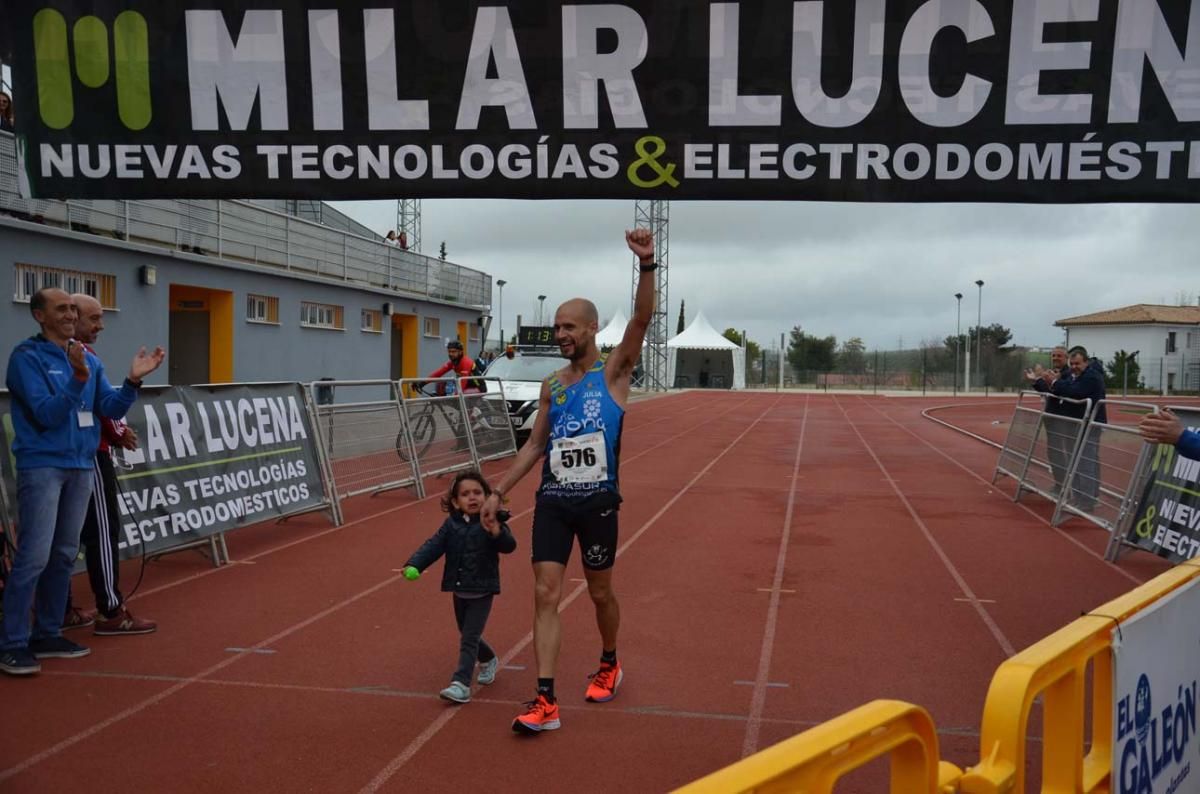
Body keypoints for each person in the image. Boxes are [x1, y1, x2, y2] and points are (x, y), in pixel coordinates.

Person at [481, 227, 656, 735]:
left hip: (598, 501)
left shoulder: (615, 371)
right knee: (544, 592)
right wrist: (499, 491)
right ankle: (545, 699)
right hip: (554, 501)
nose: (560, 335)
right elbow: (535, 445)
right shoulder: (552, 386)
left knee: (600, 593)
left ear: (592, 329)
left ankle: (609, 661)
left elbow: (642, 318)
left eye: (569, 327)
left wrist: (646, 264)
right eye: (556, 327)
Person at [1, 288, 164, 675]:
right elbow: (46, 414)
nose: (71, 315)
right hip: (42, 467)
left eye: (73, 309)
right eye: (62, 309)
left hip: (82, 466)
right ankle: (11, 643)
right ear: (40, 316)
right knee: (34, 556)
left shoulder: (87, 355)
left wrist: (132, 383)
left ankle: (47, 632)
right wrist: (76, 379)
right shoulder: (26, 358)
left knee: (62, 554)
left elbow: (108, 405)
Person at [61, 294, 157, 636]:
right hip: (87, 455)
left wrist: (131, 382)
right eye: (95, 318)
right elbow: (101, 407)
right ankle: (111, 611)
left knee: (62, 537)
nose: (101, 325)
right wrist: (116, 432)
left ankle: (59, 609)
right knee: (100, 531)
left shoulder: (49, 354)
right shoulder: (77, 355)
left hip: (61, 457)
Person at [401, 471, 516, 704]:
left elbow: (508, 545)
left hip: (482, 589)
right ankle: (489, 659)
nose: (472, 498)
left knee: (469, 638)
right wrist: (414, 564)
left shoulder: (491, 521)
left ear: (487, 496)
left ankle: (461, 683)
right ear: (455, 502)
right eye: (465, 494)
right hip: (459, 588)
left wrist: (495, 530)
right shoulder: (451, 524)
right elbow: (433, 546)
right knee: (467, 633)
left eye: (477, 493)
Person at [1029, 346, 1107, 511]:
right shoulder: (1076, 376)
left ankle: (1087, 501)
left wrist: (1055, 382)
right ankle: (1079, 497)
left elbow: (1074, 392)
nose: (1074, 367)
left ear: (1086, 362)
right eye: (1072, 364)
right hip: (1075, 424)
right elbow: (1064, 389)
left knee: (1085, 463)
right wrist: (1048, 382)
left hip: (1087, 425)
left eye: (1077, 363)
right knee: (1076, 462)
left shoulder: (1091, 377)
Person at [1024, 346, 1071, 493]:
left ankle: (1065, 487)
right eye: (1054, 355)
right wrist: (1037, 380)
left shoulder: (1067, 374)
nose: (1055, 358)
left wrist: (1046, 380)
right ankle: (1060, 484)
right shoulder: (1056, 373)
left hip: (1062, 418)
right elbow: (1049, 391)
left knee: (1062, 453)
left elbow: (1058, 392)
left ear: (1066, 358)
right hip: (1052, 417)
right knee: (1054, 453)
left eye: (1059, 356)